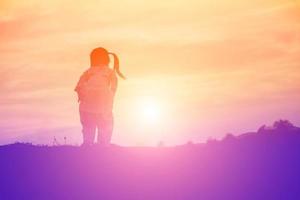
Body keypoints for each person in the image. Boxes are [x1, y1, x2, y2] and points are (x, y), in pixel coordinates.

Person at [75, 47, 125, 146]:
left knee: (91, 126)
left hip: (91, 105)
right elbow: (114, 86)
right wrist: (110, 95)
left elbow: (79, 85)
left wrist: (82, 94)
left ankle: (91, 144)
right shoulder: (105, 72)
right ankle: (100, 144)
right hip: (100, 104)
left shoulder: (91, 71)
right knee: (103, 125)